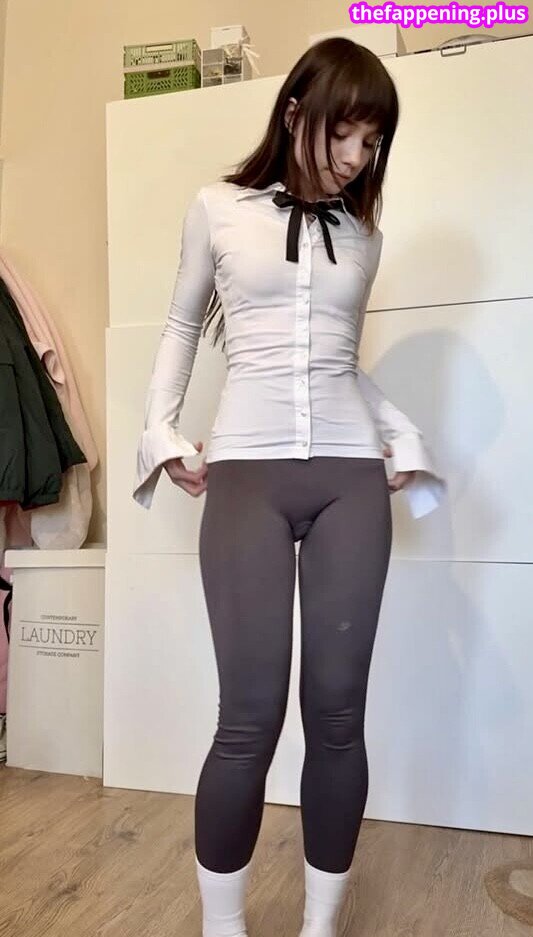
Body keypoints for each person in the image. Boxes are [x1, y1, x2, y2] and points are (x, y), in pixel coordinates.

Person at [133, 37, 445, 937]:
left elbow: (335, 362)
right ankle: (223, 927)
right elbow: (181, 326)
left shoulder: (364, 237)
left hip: (349, 479)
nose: (356, 157)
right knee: (248, 716)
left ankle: (319, 927)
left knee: (337, 713)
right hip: (246, 472)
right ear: (297, 111)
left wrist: (399, 429)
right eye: (346, 133)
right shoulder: (217, 209)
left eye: (372, 142)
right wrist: (159, 433)